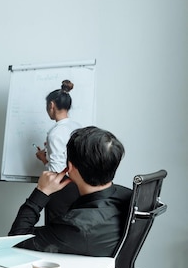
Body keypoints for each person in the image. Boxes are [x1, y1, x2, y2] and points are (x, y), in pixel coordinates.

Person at [9, 126, 131, 257]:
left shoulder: (76, 226)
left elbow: (16, 238)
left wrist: (41, 191)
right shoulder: (129, 196)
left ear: (70, 166)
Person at [35, 80, 82, 172]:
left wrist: (43, 159)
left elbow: (56, 171)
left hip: (66, 184)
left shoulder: (55, 134)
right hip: (80, 181)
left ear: (51, 105)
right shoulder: (78, 126)